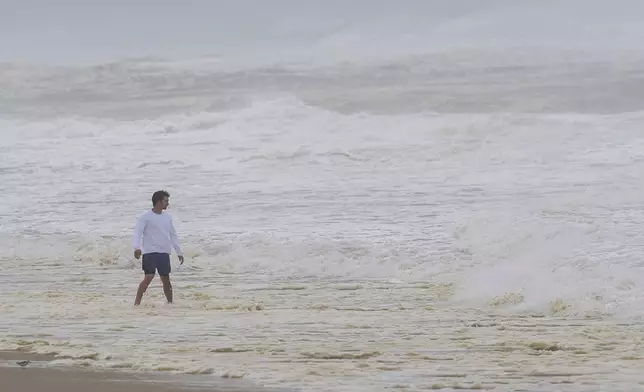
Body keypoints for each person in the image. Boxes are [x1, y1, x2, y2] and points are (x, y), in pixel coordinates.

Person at [131, 190, 184, 306]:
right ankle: (136, 303)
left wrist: (179, 251)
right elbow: (137, 233)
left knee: (166, 279)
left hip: (164, 253)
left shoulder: (167, 217)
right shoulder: (145, 217)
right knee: (149, 277)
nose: (168, 204)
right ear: (159, 201)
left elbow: (173, 234)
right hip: (149, 252)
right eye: (166, 201)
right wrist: (136, 248)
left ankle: (170, 303)